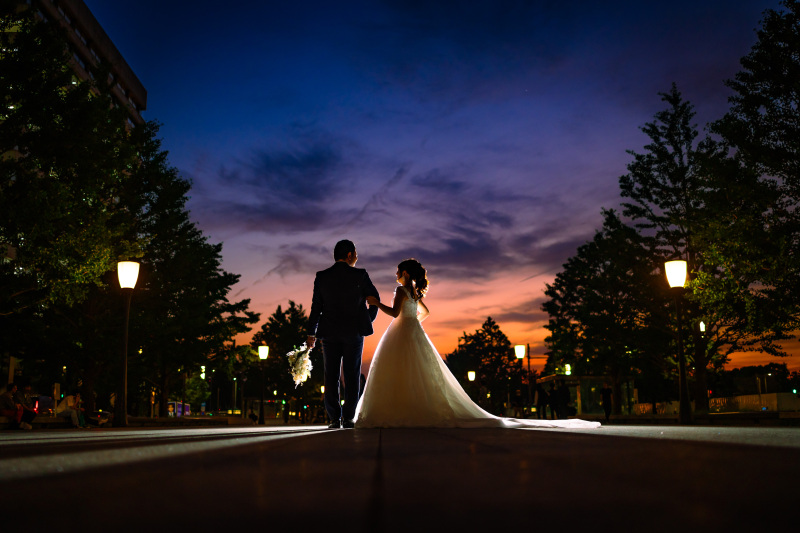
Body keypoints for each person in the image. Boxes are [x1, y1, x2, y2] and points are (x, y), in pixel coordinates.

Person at [356, 259, 599, 429]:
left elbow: (394, 313)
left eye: (398, 271)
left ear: (405, 274)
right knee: (420, 372)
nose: (396, 275)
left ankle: (401, 410)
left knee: (399, 371)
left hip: (401, 331)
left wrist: (376, 304)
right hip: (414, 330)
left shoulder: (400, 291)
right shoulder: (416, 293)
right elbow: (426, 312)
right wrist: (414, 322)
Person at [306, 239, 380, 429]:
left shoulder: (322, 276)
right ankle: (348, 417)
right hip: (353, 333)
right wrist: (366, 320)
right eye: (355, 253)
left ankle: (333, 418)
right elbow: (374, 300)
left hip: (328, 333)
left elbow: (316, 307)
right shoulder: (360, 275)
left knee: (330, 376)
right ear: (349, 255)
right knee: (352, 375)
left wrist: (310, 333)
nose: (357, 257)